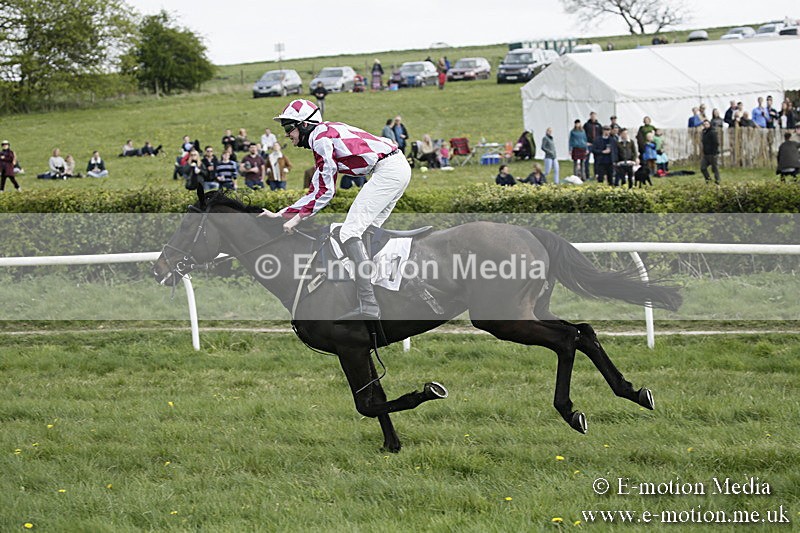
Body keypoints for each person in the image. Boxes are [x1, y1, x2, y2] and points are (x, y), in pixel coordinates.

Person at [260, 99, 411, 321]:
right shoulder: (323, 133)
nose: (286, 135)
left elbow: (326, 191)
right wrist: (283, 214)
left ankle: (369, 304)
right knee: (366, 232)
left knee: (349, 233)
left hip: (387, 171)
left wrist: (297, 218)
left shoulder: (321, 140)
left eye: (288, 128)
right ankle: (377, 294)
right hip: (395, 168)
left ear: (303, 125)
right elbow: (317, 187)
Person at [700, 119, 721, 184]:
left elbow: (716, 143)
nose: (705, 125)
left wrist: (715, 152)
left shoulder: (712, 132)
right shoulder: (704, 132)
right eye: (704, 124)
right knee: (703, 168)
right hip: (706, 154)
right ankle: (708, 179)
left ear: (709, 124)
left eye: (707, 124)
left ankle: (717, 181)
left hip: (712, 154)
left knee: (715, 169)